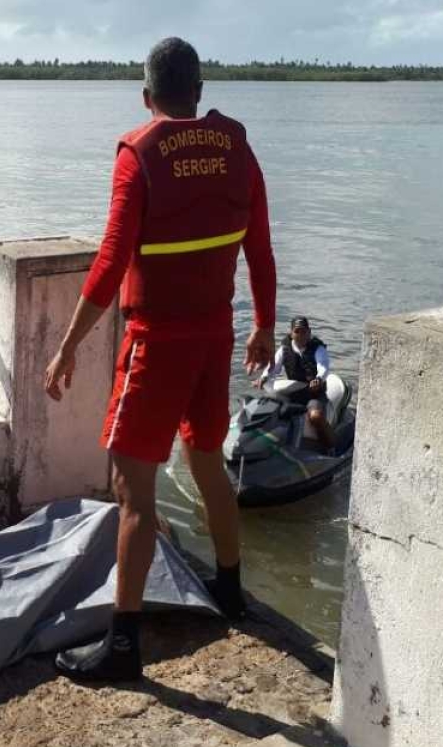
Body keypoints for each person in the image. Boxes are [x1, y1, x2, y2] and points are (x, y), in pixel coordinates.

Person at [43, 37, 276, 682]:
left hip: (154, 346)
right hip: (216, 339)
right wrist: (263, 326)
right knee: (208, 463)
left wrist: (66, 347)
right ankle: (231, 590)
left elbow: (111, 259)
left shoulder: (139, 156)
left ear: (147, 98)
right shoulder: (239, 149)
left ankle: (123, 648)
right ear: (199, 92)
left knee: (132, 493)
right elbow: (260, 250)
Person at [257, 316, 336, 451]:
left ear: (309, 332)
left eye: (304, 331)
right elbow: (273, 367)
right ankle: (269, 446)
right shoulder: (284, 349)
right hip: (294, 392)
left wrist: (318, 379)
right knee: (267, 406)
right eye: (297, 331)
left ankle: (332, 448)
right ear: (291, 333)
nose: (301, 335)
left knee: (315, 416)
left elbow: (324, 367)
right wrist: (263, 377)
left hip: (314, 394)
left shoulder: (318, 348)